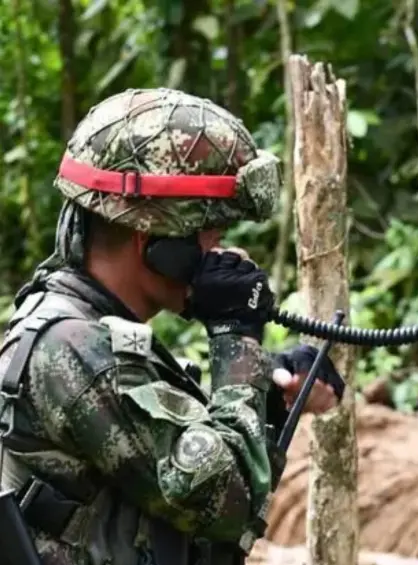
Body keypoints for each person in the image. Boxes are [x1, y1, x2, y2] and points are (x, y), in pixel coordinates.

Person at [0, 88, 344, 565]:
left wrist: (267, 386)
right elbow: (228, 502)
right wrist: (235, 335)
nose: (226, 256)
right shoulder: (73, 346)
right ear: (156, 244)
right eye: (212, 238)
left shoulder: (88, 330)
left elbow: (177, 442)